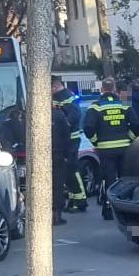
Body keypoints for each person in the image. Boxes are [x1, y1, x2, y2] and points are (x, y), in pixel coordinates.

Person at [83, 77, 139, 220]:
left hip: (106, 150)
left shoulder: (95, 107)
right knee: (125, 179)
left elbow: (88, 128)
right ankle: (126, 208)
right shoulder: (124, 105)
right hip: (124, 148)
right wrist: (130, 138)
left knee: (108, 179)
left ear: (102, 89)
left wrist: (96, 142)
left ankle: (109, 209)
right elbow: (136, 125)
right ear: (114, 89)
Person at [51, 76, 88, 212]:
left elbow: (74, 115)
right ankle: (73, 199)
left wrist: (64, 125)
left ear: (55, 86)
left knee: (72, 169)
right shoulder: (58, 97)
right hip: (63, 140)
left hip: (71, 139)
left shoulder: (67, 97)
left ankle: (81, 200)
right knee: (66, 171)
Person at [51, 100, 71, 226]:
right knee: (57, 184)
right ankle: (57, 215)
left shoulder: (33, 116)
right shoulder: (59, 115)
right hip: (57, 154)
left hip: (40, 156)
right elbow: (66, 135)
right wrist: (67, 155)